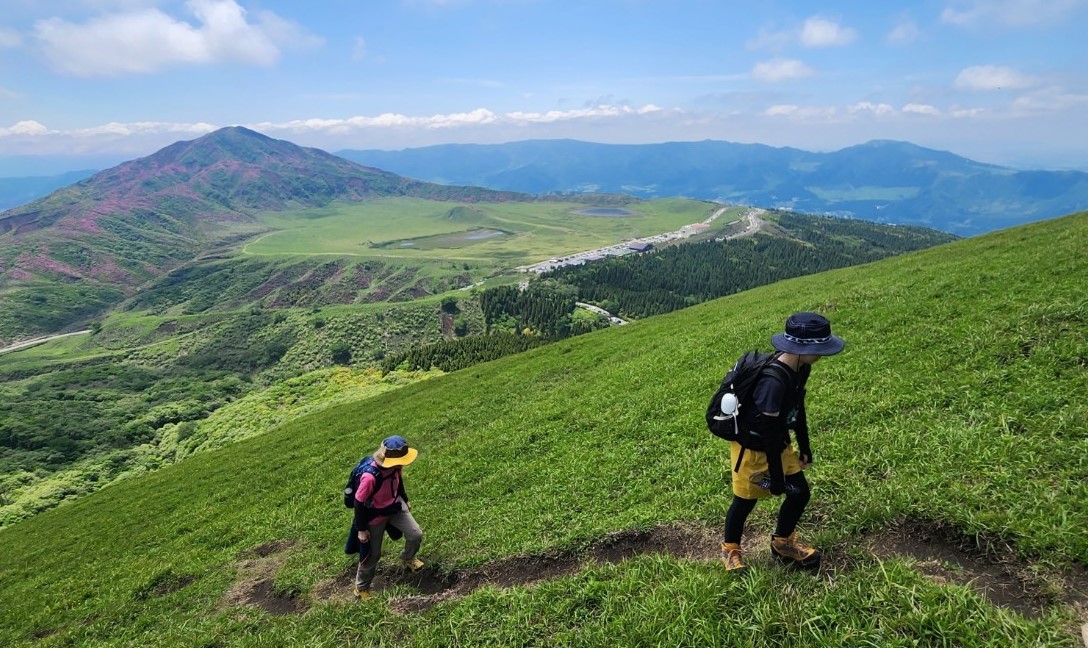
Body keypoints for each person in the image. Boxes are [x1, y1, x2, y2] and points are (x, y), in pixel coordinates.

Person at [720, 312, 844, 574]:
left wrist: (805, 445)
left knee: (799, 493)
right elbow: (766, 429)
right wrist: (776, 476)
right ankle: (730, 549)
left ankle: (782, 543)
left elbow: (796, 410)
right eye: (818, 349)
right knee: (744, 501)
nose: (821, 355)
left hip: (779, 443)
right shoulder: (773, 382)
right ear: (802, 347)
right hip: (753, 449)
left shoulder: (801, 368)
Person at [350, 435, 424, 600]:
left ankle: (408, 557)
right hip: (374, 516)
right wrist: (361, 530)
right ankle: (361, 589)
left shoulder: (396, 467)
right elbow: (358, 502)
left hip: (395, 506)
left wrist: (405, 499)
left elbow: (398, 482)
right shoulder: (369, 477)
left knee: (415, 534)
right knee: (372, 554)